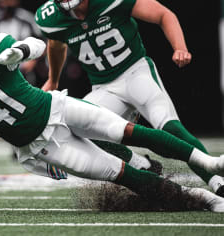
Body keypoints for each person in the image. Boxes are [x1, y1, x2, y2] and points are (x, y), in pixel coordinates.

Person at [0, 17, 224, 211]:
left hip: (55, 107)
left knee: (126, 132)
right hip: (41, 148)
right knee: (120, 175)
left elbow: (40, 46)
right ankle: (205, 200)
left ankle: (207, 164)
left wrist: (19, 50)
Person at [34, 0, 224, 196]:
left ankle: (217, 181)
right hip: (103, 87)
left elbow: (163, 15)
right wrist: (53, 80)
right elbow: (56, 43)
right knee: (77, 128)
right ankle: (139, 163)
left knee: (171, 128)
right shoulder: (50, 17)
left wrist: (179, 47)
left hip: (136, 73)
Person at [0, 0, 45, 141]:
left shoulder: (28, 19)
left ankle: (21, 137)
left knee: (22, 108)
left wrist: (33, 61)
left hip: (20, 73)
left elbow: (42, 43)